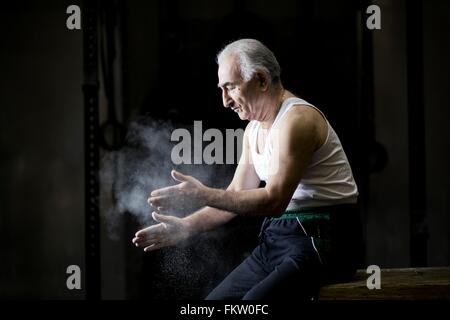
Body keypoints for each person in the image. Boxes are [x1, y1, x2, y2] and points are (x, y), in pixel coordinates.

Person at [132, 39, 361, 300]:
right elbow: (236, 193)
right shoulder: (253, 129)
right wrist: (185, 226)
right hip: (277, 240)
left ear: (262, 80)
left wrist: (203, 194)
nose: (225, 101)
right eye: (221, 89)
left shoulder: (297, 120)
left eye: (230, 87)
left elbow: (274, 200)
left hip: (324, 241)